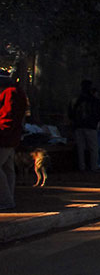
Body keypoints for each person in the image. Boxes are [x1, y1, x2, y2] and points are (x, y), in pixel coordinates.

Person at [0, 70, 28, 210]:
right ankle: (8, 199)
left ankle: (5, 201)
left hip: (5, 137)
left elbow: (7, 118)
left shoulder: (10, 93)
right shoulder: (15, 92)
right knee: (8, 169)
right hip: (10, 137)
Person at [70, 80, 100, 172]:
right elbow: (99, 113)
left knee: (80, 148)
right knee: (93, 148)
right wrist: (94, 122)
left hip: (78, 126)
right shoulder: (94, 100)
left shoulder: (77, 100)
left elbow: (71, 113)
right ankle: (94, 166)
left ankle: (82, 166)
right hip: (90, 126)